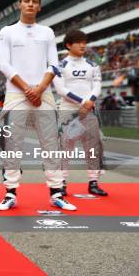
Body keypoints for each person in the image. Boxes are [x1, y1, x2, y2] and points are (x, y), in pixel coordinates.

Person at [0, 0, 75, 211]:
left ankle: (57, 192)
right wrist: (28, 89)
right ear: (19, 5)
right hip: (16, 93)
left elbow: (53, 64)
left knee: (51, 144)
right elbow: (4, 64)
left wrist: (39, 88)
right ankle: (10, 193)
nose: (30, 4)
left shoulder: (47, 32)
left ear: (39, 7)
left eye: (34, 2)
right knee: (13, 144)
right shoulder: (7, 32)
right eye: (26, 1)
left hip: (43, 93)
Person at [53, 30, 107, 196]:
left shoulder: (92, 65)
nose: (83, 45)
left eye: (84, 41)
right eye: (78, 42)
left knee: (93, 147)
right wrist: (84, 102)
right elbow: (61, 89)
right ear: (69, 45)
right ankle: (61, 183)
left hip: (89, 112)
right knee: (65, 148)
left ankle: (93, 182)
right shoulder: (59, 66)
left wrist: (90, 101)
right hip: (68, 111)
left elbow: (97, 86)